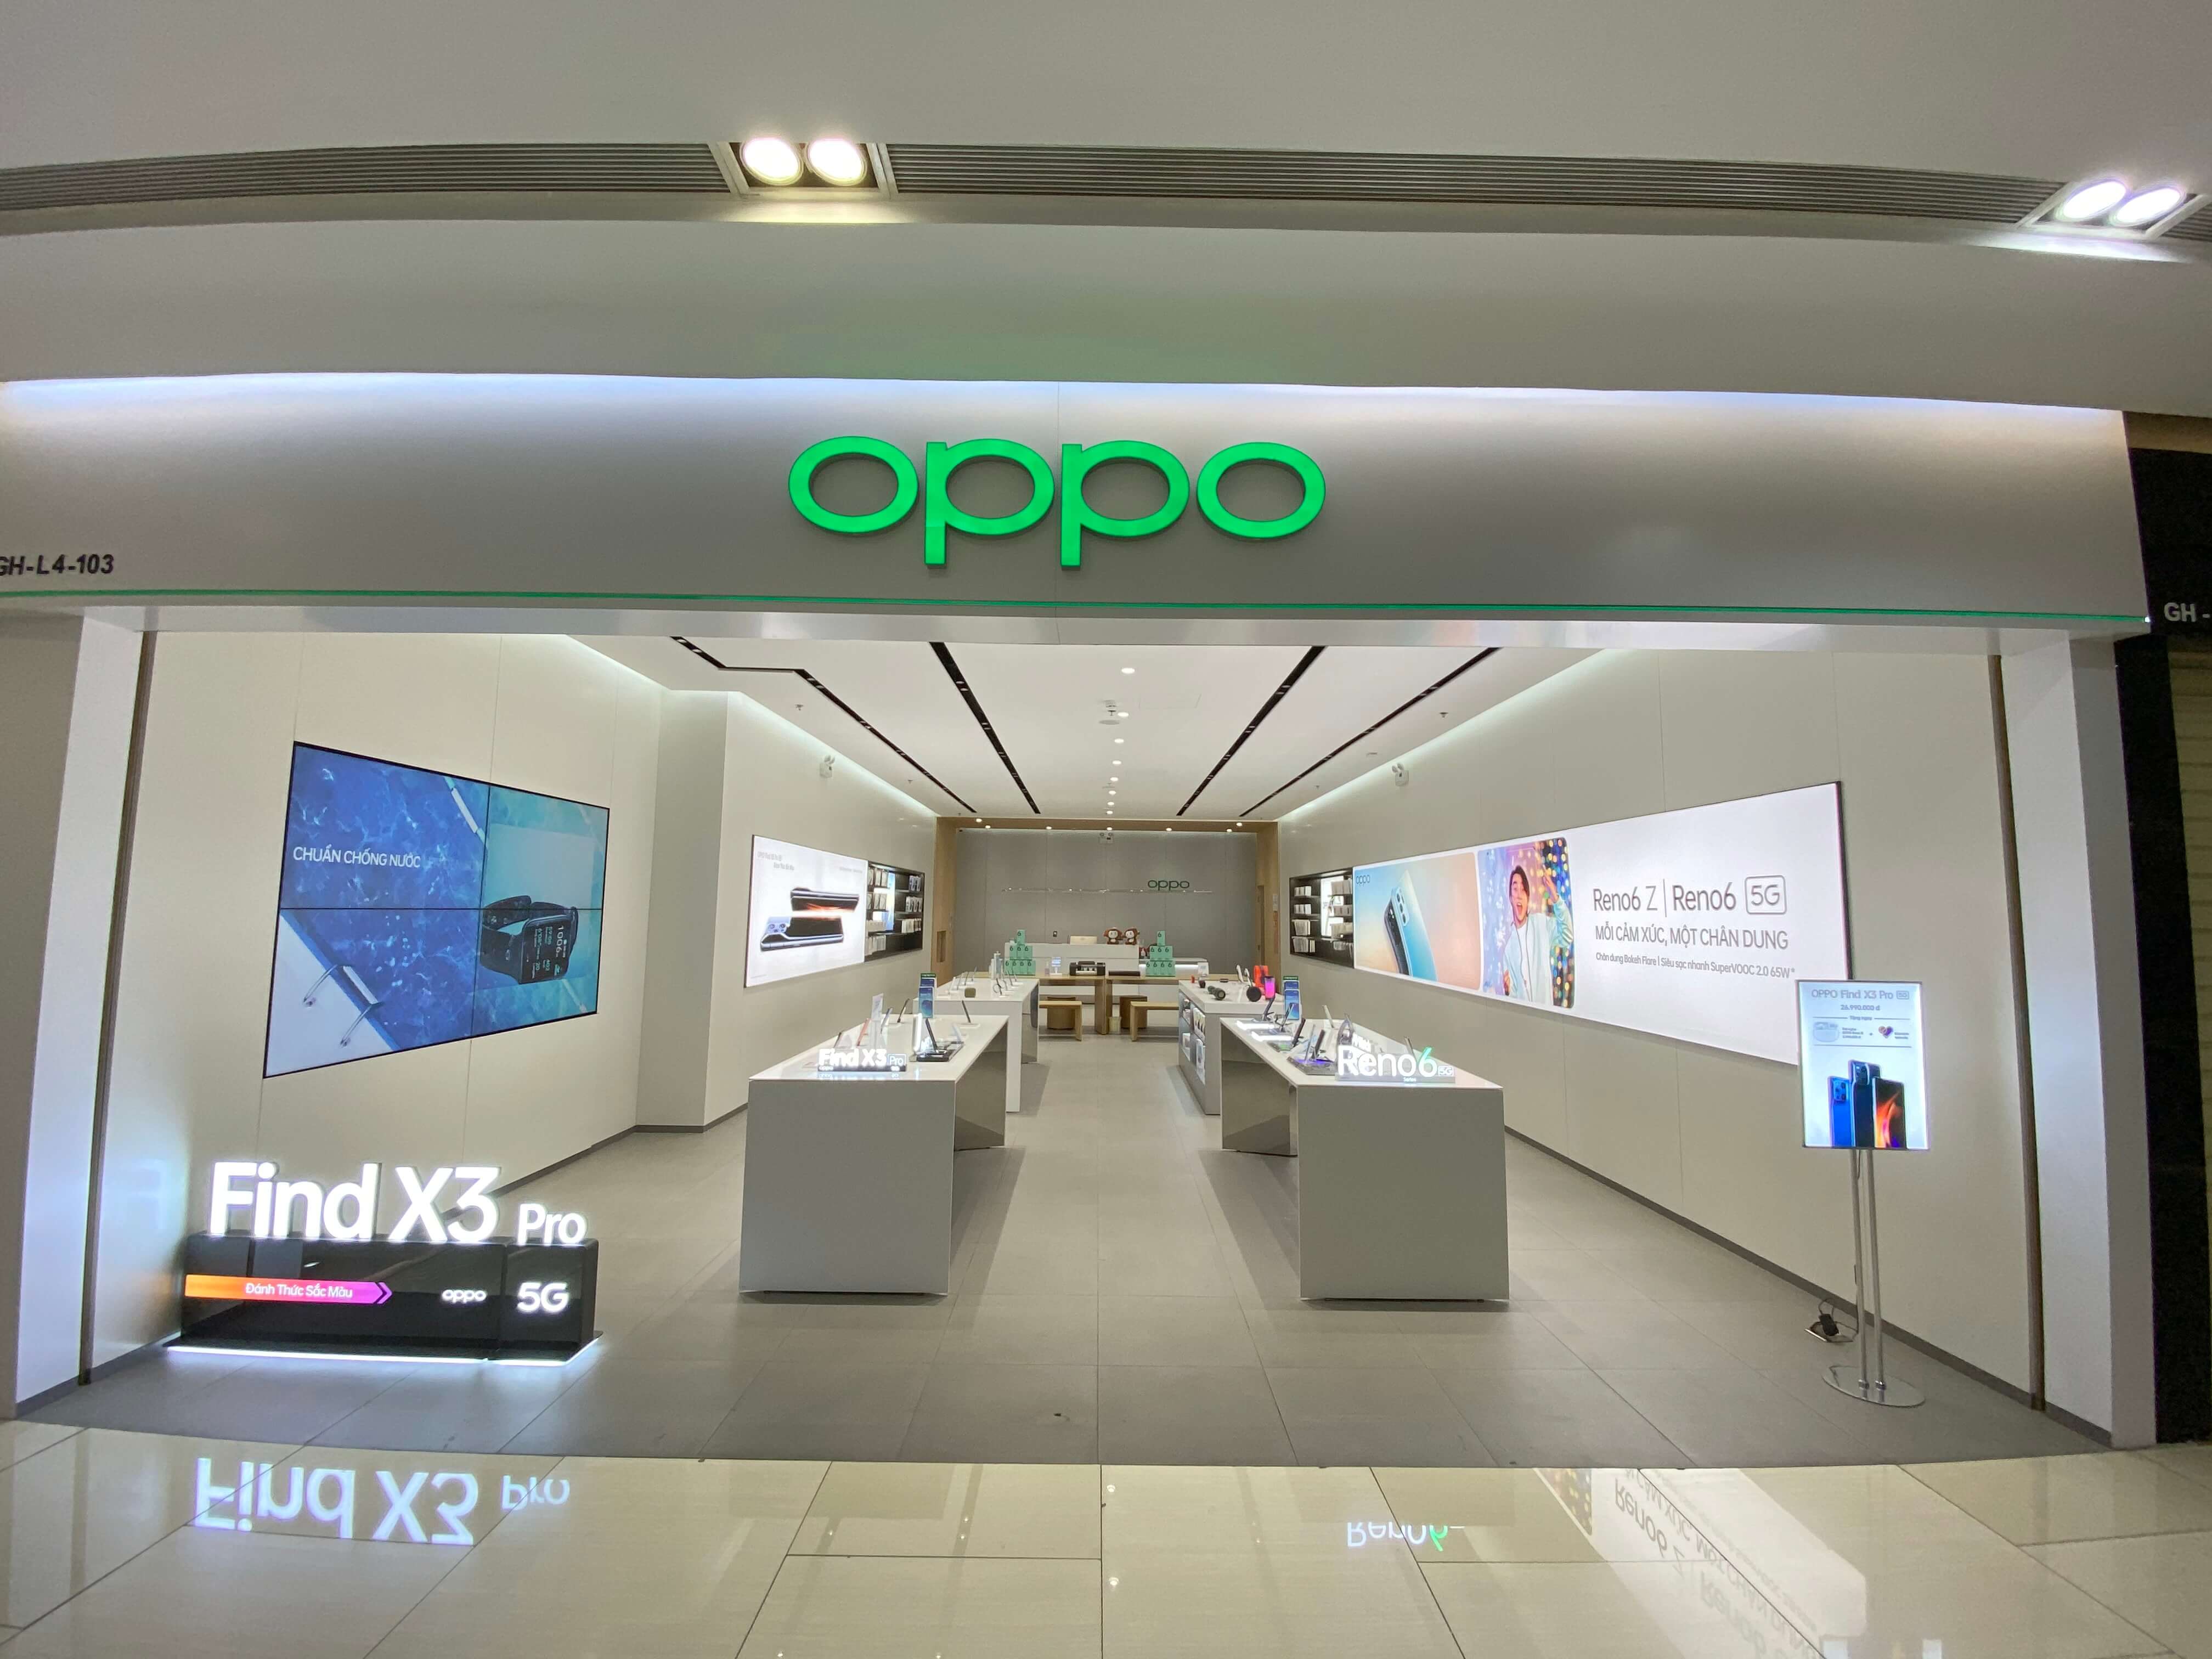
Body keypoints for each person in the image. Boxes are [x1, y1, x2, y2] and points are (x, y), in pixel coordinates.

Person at [1499, 863, 1556, 1005]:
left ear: (1528, 898)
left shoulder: (1542, 924)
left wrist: (1556, 899)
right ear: (1511, 898)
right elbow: (1513, 998)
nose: (1519, 895)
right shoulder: (1508, 950)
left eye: (1523, 890)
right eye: (1515, 889)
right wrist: (1508, 991)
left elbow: (1567, 934)